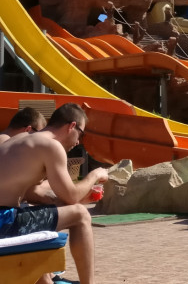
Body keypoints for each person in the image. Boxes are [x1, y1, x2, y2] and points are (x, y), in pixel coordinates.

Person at [0, 103, 108, 284]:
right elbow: (71, 196)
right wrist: (95, 175)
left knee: (48, 213)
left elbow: (32, 191)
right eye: (81, 134)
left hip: (5, 218)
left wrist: (67, 201)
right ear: (71, 126)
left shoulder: (19, 140)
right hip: (5, 222)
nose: (78, 142)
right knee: (80, 215)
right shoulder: (51, 146)